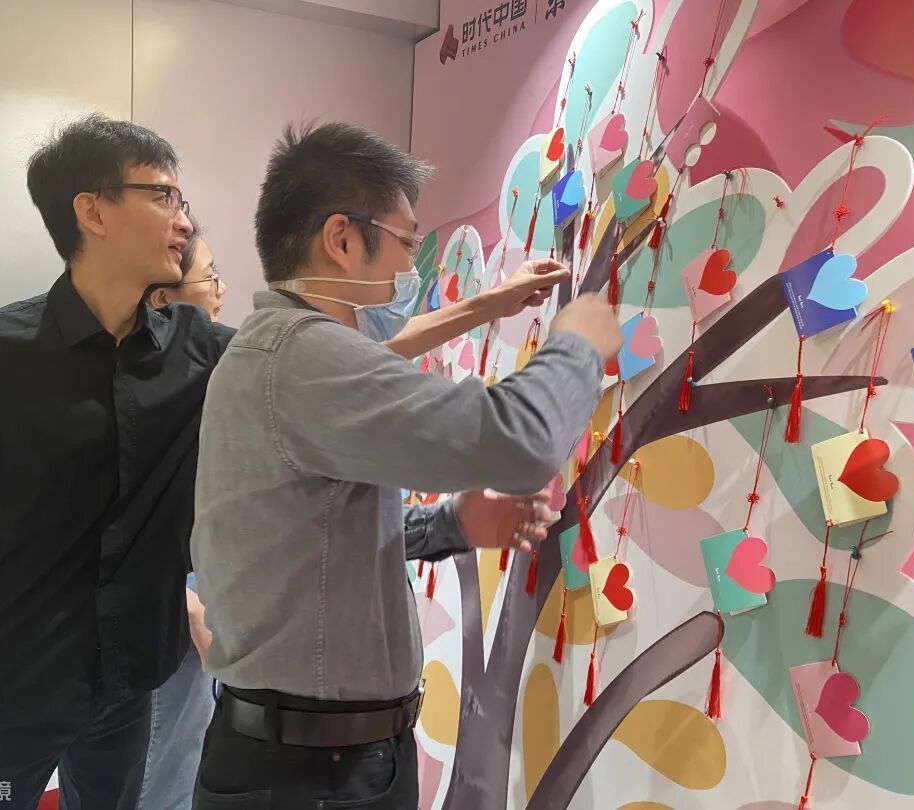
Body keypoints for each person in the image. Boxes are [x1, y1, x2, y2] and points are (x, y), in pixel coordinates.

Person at [190, 122, 622, 809]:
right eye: (407, 243)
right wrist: (577, 346)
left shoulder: (279, 351)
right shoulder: (303, 359)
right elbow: (519, 443)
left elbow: (317, 533)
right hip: (310, 774)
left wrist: (451, 524)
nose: (410, 269)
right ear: (341, 239)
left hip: (318, 758)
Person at [0, 114, 236, 810]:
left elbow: (302, 369)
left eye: (181, 200)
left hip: (129, 683)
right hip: (10, 679)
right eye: (162, 195)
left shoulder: (197, 349)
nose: (184, 220)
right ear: (92, 211)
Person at [137, 218, 222, 810]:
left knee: (187, 756)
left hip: (199, 592)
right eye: (210, 277)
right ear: (164, 300)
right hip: (168, 607)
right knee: (163, 769)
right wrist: (183, 599)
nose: (221, 288)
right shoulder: (144, 395)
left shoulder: (204, 373)